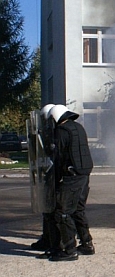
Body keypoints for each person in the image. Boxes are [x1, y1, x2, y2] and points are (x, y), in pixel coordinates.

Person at [46, 104, 95, 261]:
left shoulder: (61, 131)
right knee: (78, 210)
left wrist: (55, 178)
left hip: (71, 176)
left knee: (62, 212)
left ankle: (69, 250)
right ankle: (87, 244)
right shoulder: (78, 128)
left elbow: (58, 157)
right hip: (84, 174)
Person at [31, 104, 58, 254]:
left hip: (55, 177)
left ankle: (54, 241)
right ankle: (47, 238)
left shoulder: (57, 133)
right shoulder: (47, 133)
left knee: (54, 212)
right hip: (48, 176)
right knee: (47, 211)